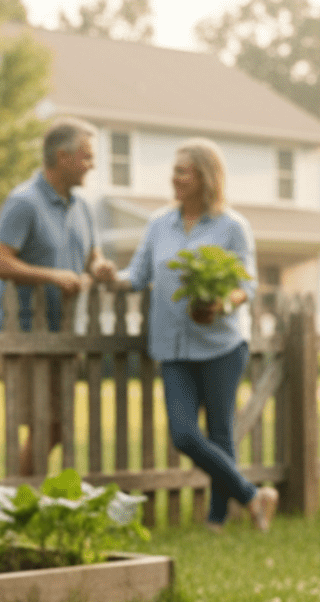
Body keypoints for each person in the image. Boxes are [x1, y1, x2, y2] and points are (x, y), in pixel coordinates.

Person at [111, 138, 278, 531]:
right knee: (184, 434)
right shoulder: (158, 224)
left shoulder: (233, 227)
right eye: (174, 170)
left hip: (221, 344)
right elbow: (137, 277)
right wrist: (106, 276)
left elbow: (246, 286)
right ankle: (255, 497)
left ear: (205, 177)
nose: (174, 178)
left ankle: (216, 520)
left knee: (221, 434)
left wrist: (220, 305)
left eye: (182, 171)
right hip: (172, 346)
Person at [0, 117, 115, 475]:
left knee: (56, 426)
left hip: (64, 334)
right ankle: (16, 498)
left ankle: (22, 496)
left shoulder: (82, 206)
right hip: (26, 333)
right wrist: (51, 276)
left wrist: (100, 267)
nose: (92, 165)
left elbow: (92, 256)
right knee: (42, 424)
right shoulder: (23, 203)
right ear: (63, 156)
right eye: (87, 157)